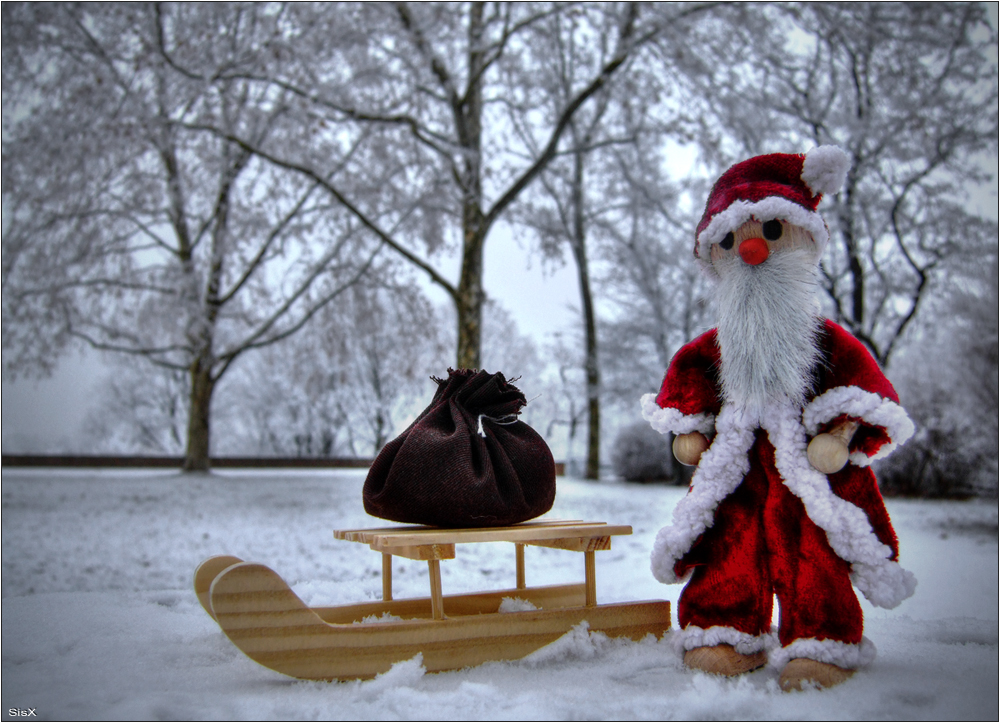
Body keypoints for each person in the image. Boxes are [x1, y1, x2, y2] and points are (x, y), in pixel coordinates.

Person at [642, 147, 915, 691]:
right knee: (727, 544)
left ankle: (823, 639)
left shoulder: (828, 343)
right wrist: (691, 434)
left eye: (770, 229)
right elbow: (688, 388)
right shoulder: (712, 350)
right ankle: (722, 627)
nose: (749, 249)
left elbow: (866, 392)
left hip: (809, 473)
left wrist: (839, 434)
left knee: (812, 550)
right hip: (735, 470)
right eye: (730, 240)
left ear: (804, 239)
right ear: (714, 256)